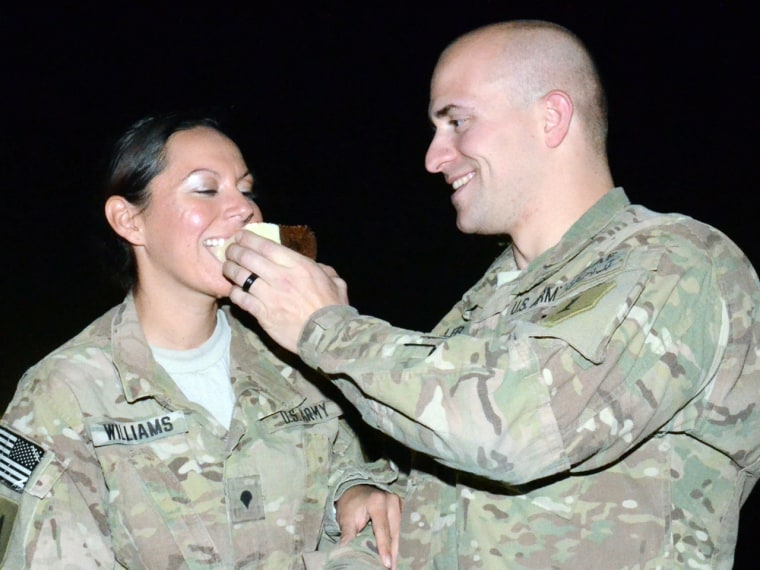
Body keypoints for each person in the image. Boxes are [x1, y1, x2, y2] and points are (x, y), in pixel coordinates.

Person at [221, 20, 760, 569]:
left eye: (457, 122)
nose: (434, 158)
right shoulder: (486, 303)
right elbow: (418, 518)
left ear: (550, 118)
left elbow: (517, 428)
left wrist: (325, 327)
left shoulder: (676, 262)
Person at [0, 113, 402, 569]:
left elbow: (347, 465)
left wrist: (353, 492)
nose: (245, 210)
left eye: (246, 191)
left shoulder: (292, 354)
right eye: (206, 189)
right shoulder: (62, 394)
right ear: (129, 221)